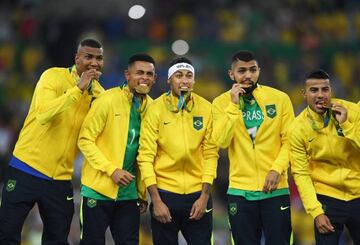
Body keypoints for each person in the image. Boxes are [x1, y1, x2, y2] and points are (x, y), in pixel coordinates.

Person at [0, 38, 105, 244]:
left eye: (99, 58)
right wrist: (78, 90)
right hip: (26, 169)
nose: (94, 62)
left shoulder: (99, 95)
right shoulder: (52, 76)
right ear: (76, 58)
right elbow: (43, 114)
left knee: (57, 240)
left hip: (60, 179)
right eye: (88, 57)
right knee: (7, 234)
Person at [212, 50, 295, 245]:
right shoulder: (220, 103)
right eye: (242, 70)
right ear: (231, 74)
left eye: (252, 70)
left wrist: (277, 169)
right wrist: (233, 106)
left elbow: (291, 141)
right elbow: (221, 141)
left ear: (259, 71)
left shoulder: (280, 99)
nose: (248, 75)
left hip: (275, 189)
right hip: (240, 191)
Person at [137, 57, 218, 245]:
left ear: (194, 81)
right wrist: (156, 200)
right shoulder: (155, 109)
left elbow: (211, 154)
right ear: (169, 80)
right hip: (165, 195)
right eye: (178, 75)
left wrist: (204, 196)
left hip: (198, 195)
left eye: (189, 75)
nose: (184, 80)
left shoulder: (207, 108)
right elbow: (145, 157)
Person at [77, 53, 156, 245]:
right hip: (97, 190)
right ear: (127, 75)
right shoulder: (106, 100)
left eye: (149, 74)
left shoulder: (154, 108)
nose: (144, 77)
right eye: (139, 72)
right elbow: (85, 140)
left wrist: (142, 192)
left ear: (155, 78)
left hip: (129, 194)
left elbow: (147, 154)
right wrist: (111, 170)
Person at [288, 69, 360, 245]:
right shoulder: (298, 128)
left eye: (325, 89)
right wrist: (316, 212)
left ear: (331, 91)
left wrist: (346, 126)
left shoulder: (353, 112)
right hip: (327, 198)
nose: (321, 95)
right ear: (304, 94)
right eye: (314, 90)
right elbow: (301, 173)